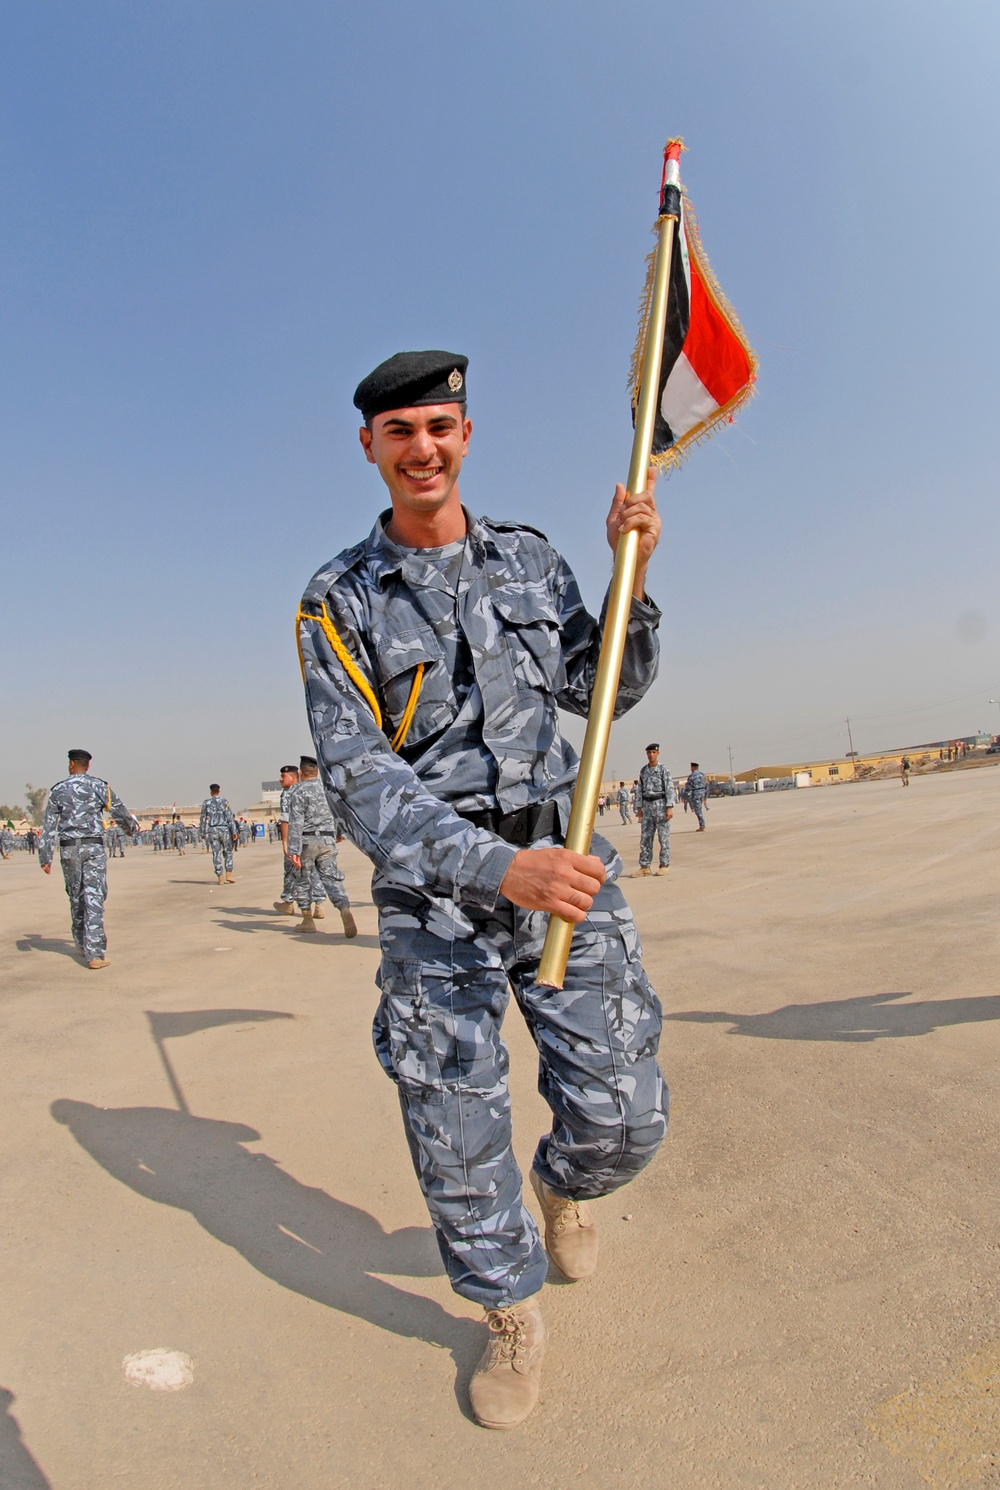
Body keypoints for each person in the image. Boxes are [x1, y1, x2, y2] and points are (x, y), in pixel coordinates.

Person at [296, 349, 667, 1429]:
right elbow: (361, 778)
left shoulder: (530, 561)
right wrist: (495, 864)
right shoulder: (337, 600)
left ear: (466, 436)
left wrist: (629, 575)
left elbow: (612, 687)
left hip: (563, 871)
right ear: (368, 445)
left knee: (622, 1118)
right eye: (399, 430)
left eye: (439, 427)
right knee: (454, 1124)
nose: (422, 447)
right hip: (437, 898)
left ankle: (565, 1188)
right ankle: (508, 1310)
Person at [39, 749, 138, 969]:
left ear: (71, 764)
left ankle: (82, 942)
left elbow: (48, 827)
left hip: (69, 849)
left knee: (75, 895)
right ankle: (94, 953)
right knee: (93, 895)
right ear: (88, 766)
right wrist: (130, 828)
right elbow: (120, 812)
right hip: (93, 847)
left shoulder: (58, 790)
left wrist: (45, 857)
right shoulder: (100, 786)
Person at [285, 755, 357, 937]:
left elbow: (296, 821)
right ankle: (344, 908)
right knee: (331, 877)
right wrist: (338, 834)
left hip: (307, 841)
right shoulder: (328, 789)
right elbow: (338, 813)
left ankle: (307, 919)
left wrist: (293, 849)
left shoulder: (297, 791)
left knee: (303, 879)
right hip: (327, 840)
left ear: (301, 773)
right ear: (316, 772)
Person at [633, 743, 675, 875]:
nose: (651, 755)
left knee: (663, 838)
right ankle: (645, 867)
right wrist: (639, 808)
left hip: (661, 806)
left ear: (658, 753)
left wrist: (669, 807)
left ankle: (664, 865)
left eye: (653, 752)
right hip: (647, 807)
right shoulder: (643, 771)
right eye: (649, 753)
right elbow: (640, 790)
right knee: (645, 838)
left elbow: (669, 788)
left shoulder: (663, 769)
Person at [199, 784, 238, 883]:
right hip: (224, 830)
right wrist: (234, 831)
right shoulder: (224, 801)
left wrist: (202, 832)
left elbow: (203, 818)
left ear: (211, 791)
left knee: (216, 853)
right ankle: (228, 874)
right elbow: (229, 817)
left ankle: (220, 876)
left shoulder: (206, 803)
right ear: (219, 791)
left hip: (212, 830)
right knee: (228, 852)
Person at [684, 762, 708, 830]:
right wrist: (705, 794)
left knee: (698, 810)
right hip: (702, 793)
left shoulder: (692, 776)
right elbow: (706, 785)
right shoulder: (702, 775)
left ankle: (702, 825)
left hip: (696, 793)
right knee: (699, 809)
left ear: (693, 767)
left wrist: (685, 796)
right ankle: (702, 825)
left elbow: (688, 787)